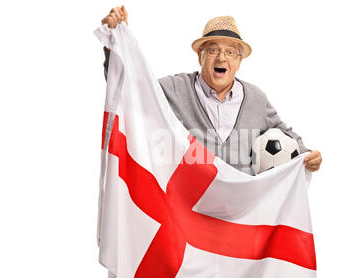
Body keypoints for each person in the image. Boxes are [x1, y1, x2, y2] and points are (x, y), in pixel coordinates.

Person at [101, 6, 322, 174]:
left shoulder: (256, 98)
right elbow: (129, 90)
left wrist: (306, 154)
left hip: (240, 213)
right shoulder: (174, 89)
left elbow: (283, 133)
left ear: (239, 61)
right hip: (187, 212)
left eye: (230, 52)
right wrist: (114, 45)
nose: (221, 58)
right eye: (213, 49)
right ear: (201, 56)